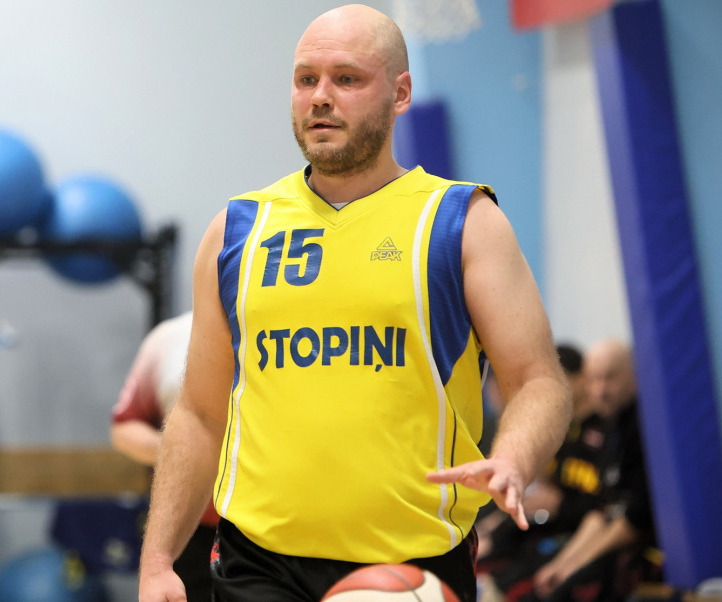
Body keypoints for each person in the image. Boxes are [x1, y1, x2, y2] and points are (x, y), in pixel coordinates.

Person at [138, 5, 572, 601]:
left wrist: (514, 459)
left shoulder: (462, 222)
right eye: (306, 79)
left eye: (346, 79)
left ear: (400, 93)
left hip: (411, 566)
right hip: (257, 564)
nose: (320, 96)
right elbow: (199, 413)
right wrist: (158, 559)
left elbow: (539, 382)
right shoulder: (236, 230)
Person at [477, 344, 610, 599]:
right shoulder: (559, 431)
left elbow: (602, 507)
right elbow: (536, 491)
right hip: (547, 529)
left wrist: (559, 504)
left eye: (560, 378)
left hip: (580, 536)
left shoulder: (606, 430)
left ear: (580, 379)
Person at [530, 340, 659, 601]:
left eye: (610, 378)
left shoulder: (647, 426)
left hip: (643, 548)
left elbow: (633, 520)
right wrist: (562, 564)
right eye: (594, 379)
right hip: (608, 537)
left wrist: (573, 568)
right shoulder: (611, 426)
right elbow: (601, 511)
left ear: (633, 374)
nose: (600, 390)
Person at [110, 311, 220, 601]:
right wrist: (187, 452)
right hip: (190, 523)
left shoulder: (281, 330)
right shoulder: (168, 338)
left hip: (268, 523)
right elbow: (124, 428)